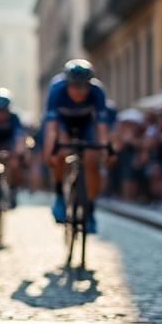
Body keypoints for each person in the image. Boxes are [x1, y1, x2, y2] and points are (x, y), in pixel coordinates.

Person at [42, 59, 110, 233]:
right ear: (67, 84)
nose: (80, 92)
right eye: (75, 86)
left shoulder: (97, 91)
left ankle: (91, 210)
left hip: (86, 125)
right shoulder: (56, 90)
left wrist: (105, 150)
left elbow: (102, 127)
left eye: (84, 86)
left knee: (92, 160)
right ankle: (59, 195)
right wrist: (50, 151)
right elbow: (51, 129)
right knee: (60, 153)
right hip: (62, 124)